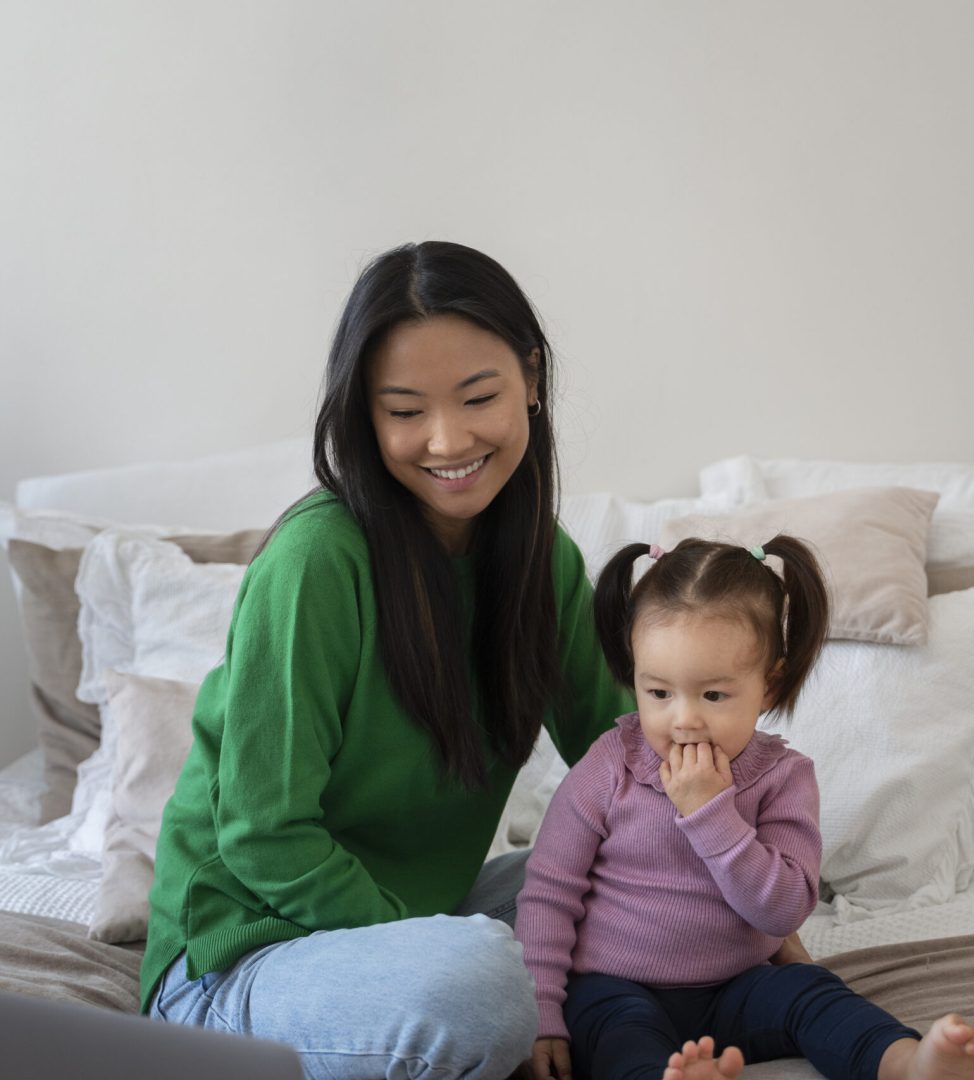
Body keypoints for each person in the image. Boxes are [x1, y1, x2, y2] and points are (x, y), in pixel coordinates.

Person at [140, 240, 637, 1079]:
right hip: (240, 964)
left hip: (417, 933)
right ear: (364, 416)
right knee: (482, 982)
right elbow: (264, 835)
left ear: (533, 382)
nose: (447, 440)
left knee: (631, 885)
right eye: (404, 410)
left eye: (479, 397)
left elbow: (626, 757)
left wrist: (728, 878)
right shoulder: (316, 563)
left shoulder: (540, 562)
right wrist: (427, 942)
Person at [515, 537, 974, 1080]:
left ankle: (907, 1062)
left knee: (810, 992)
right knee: (614, 1035)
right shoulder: (609, 768)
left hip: (736, 986)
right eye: (658, 693)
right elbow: (548, 893)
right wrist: (542, 1014)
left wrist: (711, 815)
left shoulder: (782, 779)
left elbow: (783, 912)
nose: (683, 719)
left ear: (767, 686)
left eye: (714, 696)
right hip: (614, 985)